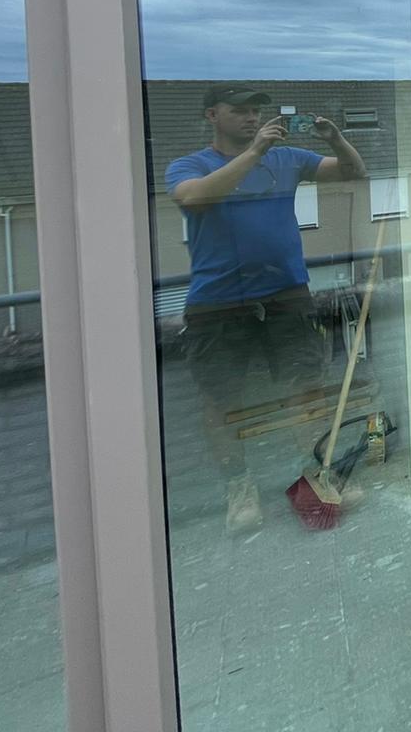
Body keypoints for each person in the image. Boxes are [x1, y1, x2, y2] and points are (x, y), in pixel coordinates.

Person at [167, 84, 367, 532]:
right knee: (221, 400)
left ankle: (318, 472)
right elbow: (194, 198)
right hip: (217, 303)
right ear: (212, 115)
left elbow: (354, 172)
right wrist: (256, 152)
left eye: (256, 110)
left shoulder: (288, 158)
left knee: (307, 389)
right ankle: (238, 487)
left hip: (286, 294)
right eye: (240, 110)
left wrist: (336, 139)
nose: (252, 117)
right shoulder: (189, 165)